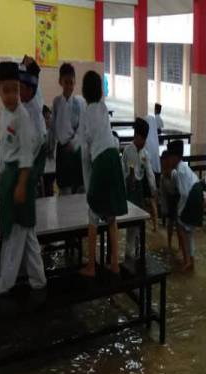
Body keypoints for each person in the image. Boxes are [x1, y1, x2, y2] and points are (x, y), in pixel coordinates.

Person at [0, 62, 46, 296]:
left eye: (15, 89)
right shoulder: (5, 113)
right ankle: (38, 280)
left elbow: (26, 156)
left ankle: (5, 284)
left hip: (20, 181)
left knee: (15, 235)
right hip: (9, 179)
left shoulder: (22, 116)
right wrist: (0, 172)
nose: (12, 95)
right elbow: (5, 148)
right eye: (7, 90)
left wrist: (22, 184)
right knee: (27, 233)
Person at [78, 71, 128, 278]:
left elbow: (83, 153)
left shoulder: (86, 112)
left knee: (93, 214)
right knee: (111, 216)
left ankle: (91, 266)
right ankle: (114, 263)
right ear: (100, 90)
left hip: (100, 159)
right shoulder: (103, 108)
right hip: (114, 157)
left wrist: (87, 186)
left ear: (83, 91)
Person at [165, 140, 204, 272]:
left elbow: (184, 194)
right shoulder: (182, 167)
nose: (168, 160)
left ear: (175, 157)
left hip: (192, 195)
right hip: (198, 191)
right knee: (190, 231)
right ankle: (191, 259)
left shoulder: (180, 171)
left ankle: (187, 261)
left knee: (180, 225)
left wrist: (179, 212)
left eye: (170, 157)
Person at [49, 63, 86, 195]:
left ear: (75, 82)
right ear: (60, 82)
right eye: (66, 82)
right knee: (65, 189)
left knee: (80, 188)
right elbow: (52, 128)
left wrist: (74, 143)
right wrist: (50, 146)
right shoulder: (56, 102)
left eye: (71, 82)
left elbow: (82, 127)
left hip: (75, 150)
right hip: (62, 149)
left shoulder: (79, 103)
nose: (69, 86)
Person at [122, 118, 155, 260]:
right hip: (129, 191)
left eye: (145, 139)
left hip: (139, 191)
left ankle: (138, 250)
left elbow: (149, 173)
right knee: (130, 224)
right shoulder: (127, 151)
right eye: (143, 139)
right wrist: (127, 179)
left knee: (139, 223)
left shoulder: (145, 154)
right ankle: (129, 252)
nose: (144, 142)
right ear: (136, 136)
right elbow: (122, 171)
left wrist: (154, 190)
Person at [19, 60, 47, 185]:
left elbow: (38, 139)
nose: (18, 92)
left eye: (21, 88)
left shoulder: (33, 109)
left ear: (29, 90)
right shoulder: (28, 101)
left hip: (35, 154)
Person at [159, 151, 179, 250]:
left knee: (179, 224)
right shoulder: (162, 177)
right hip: (170, 199)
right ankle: (169, 244)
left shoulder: (175, 174)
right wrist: (163, 208)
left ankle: (180, 246)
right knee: (170, 223)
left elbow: (180, 190)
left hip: (178, 199)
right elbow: (162, 194)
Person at [144, 114, 161, 231]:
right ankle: (156, 221)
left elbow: (144, 159)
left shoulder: (147, 141)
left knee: (151, 200)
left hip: (149, 173)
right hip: (157, 172)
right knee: (153, 198)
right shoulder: (155, 140)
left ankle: (155, 224)